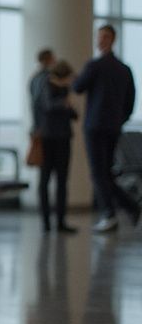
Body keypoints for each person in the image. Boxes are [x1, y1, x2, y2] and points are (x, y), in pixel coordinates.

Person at [72, 24, 138, 233]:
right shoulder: (124, 69)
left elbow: (77, 87)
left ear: (112, 39)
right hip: (113, 126)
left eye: (104, 37)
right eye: (99, 37)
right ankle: (129, 206)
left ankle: (110, 213)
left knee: (99, 173)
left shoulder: (95, 66)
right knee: (106, 173)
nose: (100, 41)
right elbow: (130, 102)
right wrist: (120, 119)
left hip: (95, 126)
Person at [36, 59, 78, 234]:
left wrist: (68, 107)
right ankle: (46, 221)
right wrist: (65, 105)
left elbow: (74, 114)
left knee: (62, 181)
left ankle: (60, 221)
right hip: (47, 139)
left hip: (63, 138)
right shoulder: (45, 85)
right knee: (45, 180)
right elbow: (47, 107)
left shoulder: (64, 89)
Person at [29, 48, 56, 131]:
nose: (55, 61)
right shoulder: (47, 78)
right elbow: (47, 103)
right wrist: (63, 103)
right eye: (53, 58)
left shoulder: (34, 78)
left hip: (38, 123)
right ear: (47, 60)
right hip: (47, 126)